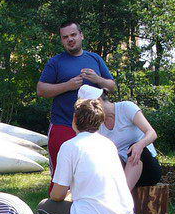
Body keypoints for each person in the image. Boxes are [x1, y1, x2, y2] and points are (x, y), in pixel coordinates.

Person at [35, 99, 134, 214]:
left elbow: (57, 195)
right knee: (72, 209)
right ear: (100, 121)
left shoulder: (70, 146)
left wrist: (63, 196)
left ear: (74, 119)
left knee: (45, 208)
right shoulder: (109, 145)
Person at [36, 21, 116, 189]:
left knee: (92, 174)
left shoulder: (95, 59)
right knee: (60, 176)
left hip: (95, 128)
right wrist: (68, 85)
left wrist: (98, 80)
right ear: (62, 40)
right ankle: (57, 211)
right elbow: (41, 90)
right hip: (63, 125)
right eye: (65, 37)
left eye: (73, 35)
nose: (70, 39)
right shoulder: (55, 62)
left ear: (81, 35)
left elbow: (112, 87)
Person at [77, 85, 162, 190]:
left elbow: (152, 133)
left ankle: (123, 195)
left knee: (133, 149)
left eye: (89, 109)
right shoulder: (96, 123)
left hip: (146, 168)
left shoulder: (126, 107)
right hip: (120, 170)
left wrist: (140, 145)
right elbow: (82, 141)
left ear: (98, 101)